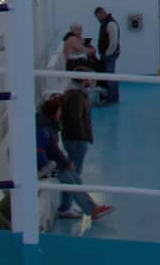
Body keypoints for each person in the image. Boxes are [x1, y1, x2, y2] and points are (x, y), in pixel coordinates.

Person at [37, 94, 114, 223]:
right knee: (68, 177)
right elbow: (54, 151)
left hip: (47, 164)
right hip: (42, 168)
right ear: (54, 112)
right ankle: (91, 209)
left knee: (73, 176)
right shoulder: (46, 129)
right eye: (60, 111)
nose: (61, 114)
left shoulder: (46, 125)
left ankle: (91, 207)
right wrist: (67, 164)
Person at [60, 84, 94, 211]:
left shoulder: (73, 95)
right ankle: (66, 208)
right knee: (73, 175)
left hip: (72, 138)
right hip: (77, 140)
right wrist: (83, 136)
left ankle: (67, 206)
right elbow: (76, 119)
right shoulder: (77, 97)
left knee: (72, 174)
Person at [93, 7, 121, 103]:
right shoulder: (105, 23)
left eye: (98, 16)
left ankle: (112, 98)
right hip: (107, 54)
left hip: (110, 54)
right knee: (109, 75)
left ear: (102, 13)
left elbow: (114, 41)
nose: (98, 19)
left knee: (110, 76)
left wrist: (107, 53)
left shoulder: (110, 24)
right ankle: (111, 97)